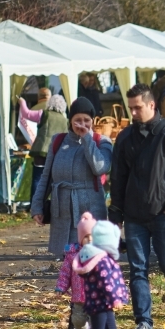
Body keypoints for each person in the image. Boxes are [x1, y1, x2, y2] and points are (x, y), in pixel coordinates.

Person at [109, 84, 165, 329]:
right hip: (135, 217)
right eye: (130, 107)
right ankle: (143, 320)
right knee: (137, 270)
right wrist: (116, 215)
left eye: (138, 107)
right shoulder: (125, 137)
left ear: (151, 105)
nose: (133, 112)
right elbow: (118, 178)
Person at [31, 98, 112, 254]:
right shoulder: (58, 141)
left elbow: (100, 167)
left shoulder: (102, 142)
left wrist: (87, 139)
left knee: (89, 261)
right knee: (68, 261)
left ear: (93, 121)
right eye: (78, 120)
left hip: (89, 213)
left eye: (86, 120)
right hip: (62, 212)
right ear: (70, 121)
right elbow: (46, 176)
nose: (82, 124)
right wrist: (37, 206)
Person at [71, 213, 129, 329]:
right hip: (99, 302)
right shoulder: (101, 260)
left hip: (104, 302)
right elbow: (106, 282)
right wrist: (116, 299)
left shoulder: (103, 257)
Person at [19, 94, 68, 203]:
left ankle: (35, 204)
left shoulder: (43, 114)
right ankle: (50, 203)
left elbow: (26, 114)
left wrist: (22, 101)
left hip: (41, 151)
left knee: (38, 178)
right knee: (52, 179)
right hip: (57, 153)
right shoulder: (65, 120)